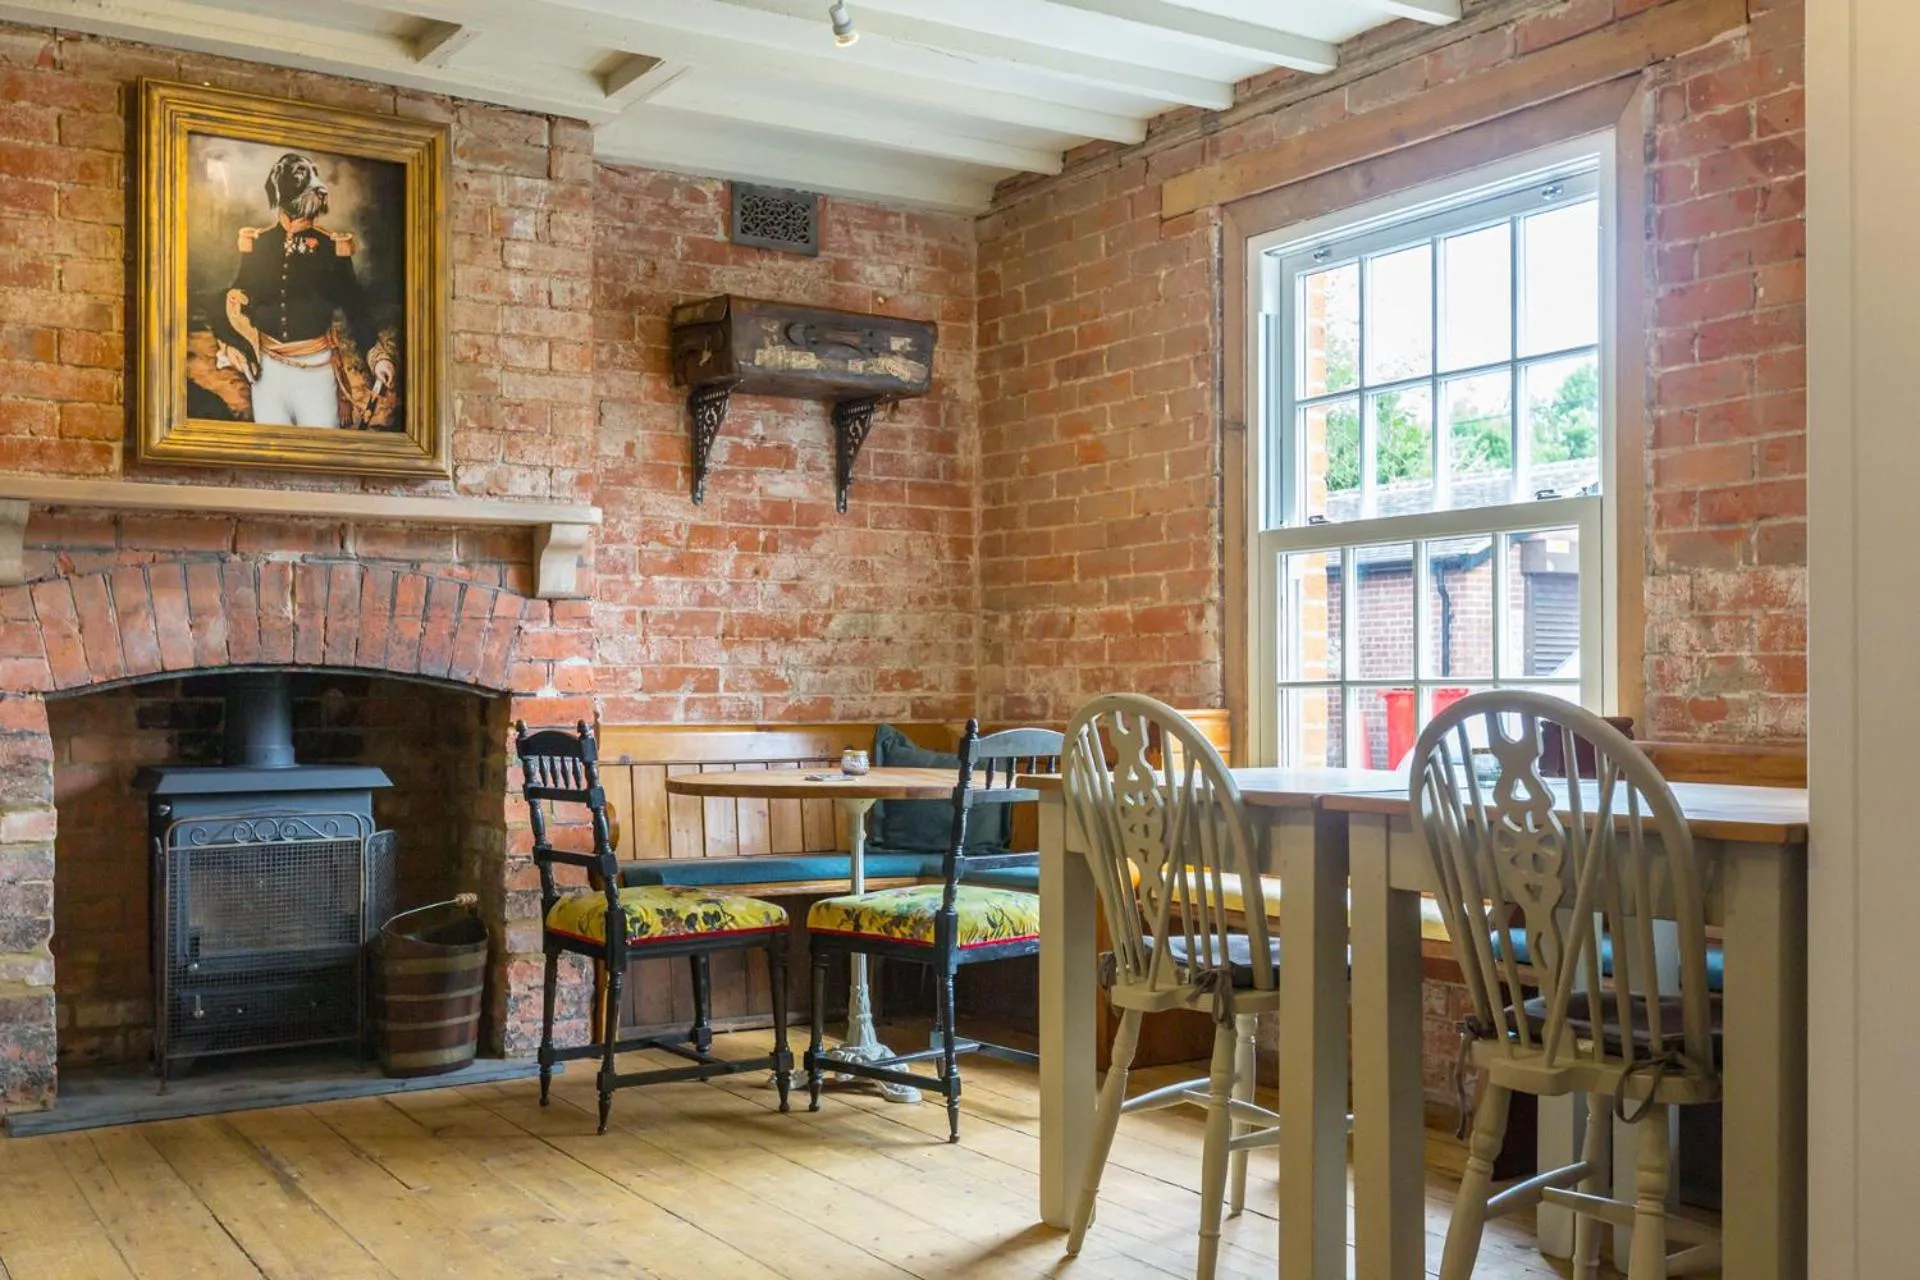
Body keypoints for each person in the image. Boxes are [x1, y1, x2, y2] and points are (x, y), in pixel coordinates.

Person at [208, 151, 397, 428]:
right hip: (267, 374)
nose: (319, 187)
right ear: (278, 185)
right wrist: (232, 340)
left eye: (314, 175)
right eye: (300, 174)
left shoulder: (332, 248)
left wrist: (377, 358)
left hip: (316, 373)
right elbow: (239, 297)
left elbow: (356, 310)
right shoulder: (258, 244)